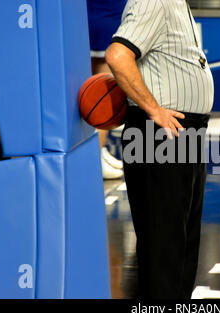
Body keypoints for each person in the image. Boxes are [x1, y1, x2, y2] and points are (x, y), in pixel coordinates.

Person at [106, 0, 214, 299]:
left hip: (183, 134)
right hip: (159, 136)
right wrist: (153, 109)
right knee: (164, 243)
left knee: (182, 241)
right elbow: (117, 56)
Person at [86, 0, 127, 179]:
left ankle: (97, 153)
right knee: (103, 94)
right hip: (109, 14)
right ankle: (94, 157)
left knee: (87, 89)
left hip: (84, 15)